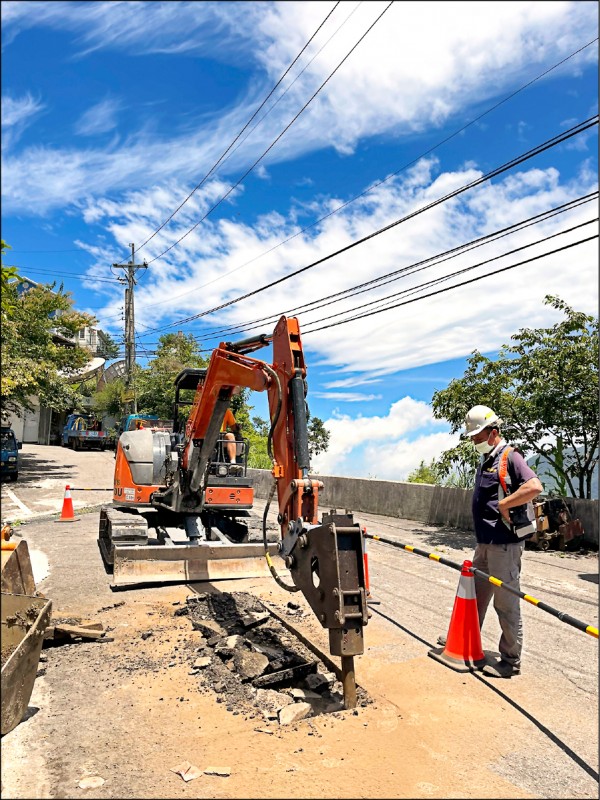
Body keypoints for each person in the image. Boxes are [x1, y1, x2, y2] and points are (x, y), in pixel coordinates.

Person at [464, 404, 543, 678]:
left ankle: (510, 660)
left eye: (477, 436)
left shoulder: (511, 457)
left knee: (506, 603)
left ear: (493, 432)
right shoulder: (488, 459)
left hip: (504, 545)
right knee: (474, 596)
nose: (474, 441)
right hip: (485, 543)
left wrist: (506, 504)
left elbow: (534, 486)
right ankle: (467, 641)